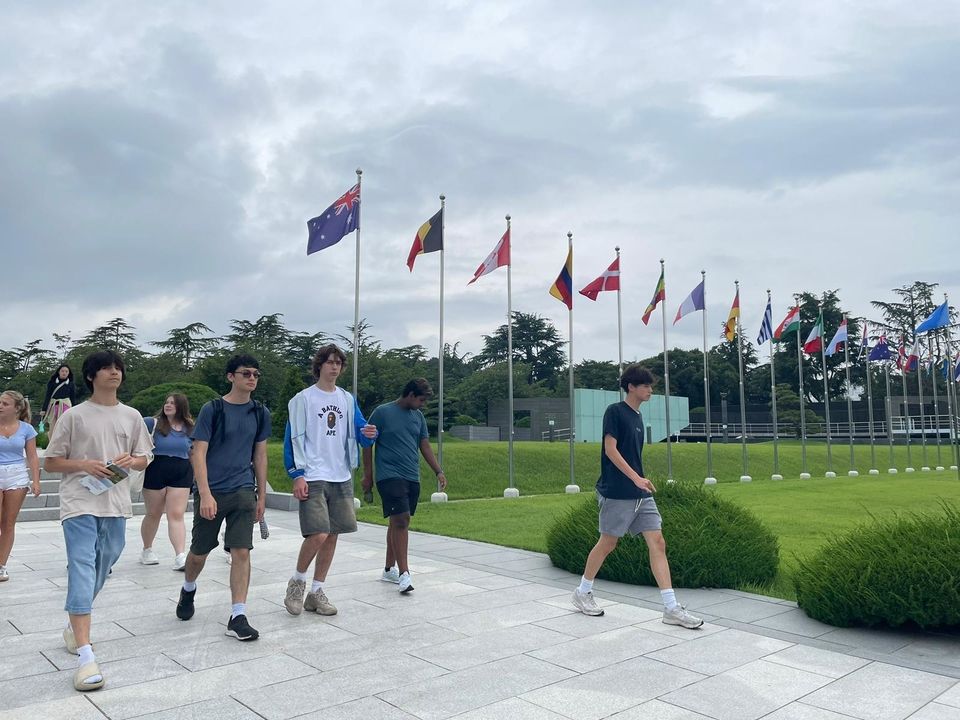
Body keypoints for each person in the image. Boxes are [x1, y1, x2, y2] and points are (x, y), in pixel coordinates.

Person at [43, 350, 153, 691]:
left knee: (106, 561)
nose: (113, 373)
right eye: (106, 368)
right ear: (91, 376)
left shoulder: (132, 415)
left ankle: (74, 625)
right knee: (81, 564)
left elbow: (145, 456)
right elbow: (51, 462)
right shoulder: (74, 416)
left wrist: (132, 461)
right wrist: (84, 464)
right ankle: (86, 656)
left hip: (115, 502)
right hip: (78, 502)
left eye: (118, 367)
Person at [571, 364, 703, 629]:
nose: (650, 390)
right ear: (631, 386)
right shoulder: (615, 412)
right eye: (645, 386)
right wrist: (635, 478)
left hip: (640, 493)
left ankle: (671, 608)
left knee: (658, 542)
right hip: (617, 491)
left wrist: (639, 482)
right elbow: (610, 450)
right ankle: (582, 592)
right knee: (608, 543)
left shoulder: (638, 417)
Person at [176, 354, 270, 642]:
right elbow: (198, 452)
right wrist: (204, 493)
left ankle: (238, 615)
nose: (251, 378)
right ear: (231, 376)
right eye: (245, 373)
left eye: (255, 373)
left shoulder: (260, 412)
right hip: (213, 490)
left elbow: (260, 454)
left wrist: (262, 496)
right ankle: (188, 588)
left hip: (243, 490)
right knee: (198, 554)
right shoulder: (213, 409)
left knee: (241, 551)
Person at [282, 344, 377, 616]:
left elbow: (359, 431)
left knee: (333, 534)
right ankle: (297, 583)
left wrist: (369, 433)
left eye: (339, 363)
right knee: (318, 533)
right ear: (319, 365)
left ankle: (316, 591)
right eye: (330, 362)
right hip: (312, 475)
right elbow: (292, 439)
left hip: (341, 474)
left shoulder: (347, 399)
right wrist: (297, 474)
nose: (335, 367)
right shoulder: (303, 399)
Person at [362, 378, 446, 594]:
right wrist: (368, 476)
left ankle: (389, 569)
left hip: (411, 476)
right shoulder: (382, 412)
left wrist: (438, 470)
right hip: (388, 475)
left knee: (396, 520)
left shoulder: (418, 417)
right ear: (409, 394)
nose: (422, 404)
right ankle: (404, 574)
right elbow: (367, 443)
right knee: (402, 519)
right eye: (420, 400)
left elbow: (424, 445)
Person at [139, 394, 194, 571]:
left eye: (173, 403)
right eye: (167, 402)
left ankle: (180, 556)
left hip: (181, 470)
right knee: (153, 513)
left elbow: (194, 453)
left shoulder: (190, 427)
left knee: (176, 514)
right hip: (156, 469)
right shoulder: (152, 423)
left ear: (181, 407)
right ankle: (147, 549)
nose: (168, 405)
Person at [0, 390, 42, 581]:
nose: (0, 406)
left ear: (17, 408)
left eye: (5, 403)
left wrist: (35, 480)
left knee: (8, 523)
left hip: (16, 475)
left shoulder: (26, 429)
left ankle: (2, 565)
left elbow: (32, 456)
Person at [41, 364, 77, 436]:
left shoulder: (70, 384)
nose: (64, 373)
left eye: (66, 371)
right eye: (62, 371)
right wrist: (44, 409)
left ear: (68, 373)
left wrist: (74, 409)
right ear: (59, 372)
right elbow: (48, 396)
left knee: (64, 427)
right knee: (52, 427)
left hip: (65, 406)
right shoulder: (52, 383)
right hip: (53, 406)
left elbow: (73, 398)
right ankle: (52, 445)